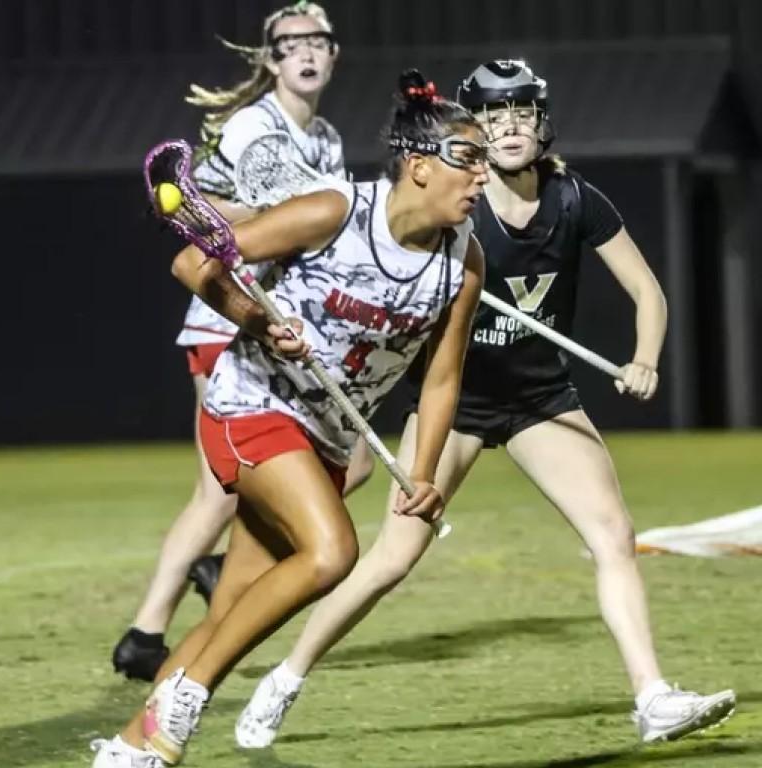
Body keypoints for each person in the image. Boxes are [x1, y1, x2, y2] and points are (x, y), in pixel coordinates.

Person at [234, 59, 736, 751]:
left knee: (613, 536)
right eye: (493, 119)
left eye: (521, 114)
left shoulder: (574, 200)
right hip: (457, 403)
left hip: (538, 399)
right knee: (391, 560)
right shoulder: (454, 212)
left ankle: (652, 697)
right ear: (471, 133)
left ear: (542, 121)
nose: (508, 130)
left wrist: (646, 355)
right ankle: (285, 678)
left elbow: (648, 290)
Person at [91, 69, 489, 767]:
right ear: (419, 167)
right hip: (253, 401)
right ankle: (190, 696)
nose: (483, 176)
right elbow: (195, 263)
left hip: (327, 438)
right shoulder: (335, 211)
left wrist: (420, 475)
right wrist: (256, 319)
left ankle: (131, 751)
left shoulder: (464, 263)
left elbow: (442, 378)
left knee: (233, 606)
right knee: (332, 552)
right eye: (469, 159)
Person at [112, 0, 379, 684]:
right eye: (291, 44)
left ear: (334, 53)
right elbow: (273, 221)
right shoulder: (258, 129)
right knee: (221, 492)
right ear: (270, 59)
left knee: (344, 466)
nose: (307, 53)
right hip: (227, 321)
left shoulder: (324, 138)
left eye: (318, 41)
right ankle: (148, 631)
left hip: (284, 323)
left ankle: (219, 575)